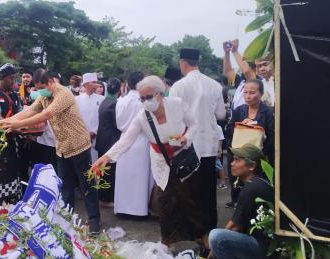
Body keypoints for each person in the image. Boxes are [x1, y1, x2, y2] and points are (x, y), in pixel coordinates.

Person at [93, 76, 206, 244]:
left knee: (188, 200)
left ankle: (201, 238)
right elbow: (125, 140)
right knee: (164, 201)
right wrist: (106, 157)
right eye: (142, 98)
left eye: (149, 97)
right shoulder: (142, 117)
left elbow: (194, 124)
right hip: (161, 161)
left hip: (183, 158)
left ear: (160, 94)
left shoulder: (176, 104)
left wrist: (185, 138)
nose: (146, 101)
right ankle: (167, 241)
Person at [0, 69, 101, 234]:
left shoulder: (64, 94)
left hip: (79, 145)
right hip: (62, 148)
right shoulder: (44, 96)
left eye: (42, 87)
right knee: (65, 187)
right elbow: (29, 110)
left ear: (51, 81)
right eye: (37, 88)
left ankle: (95, 223)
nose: (40, 91)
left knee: (87, 186)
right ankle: (67, 221)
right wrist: (5, 121)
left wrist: (15, 125)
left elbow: (47, 114)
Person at [169, 48, 226, 232]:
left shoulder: (179, 86)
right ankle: (210, 230)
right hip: (208, 145)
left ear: (183, 63)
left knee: (188, 191)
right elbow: (221, 114)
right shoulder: (216, 86)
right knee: (208, 191)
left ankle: (191, 231)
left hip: (188, 147)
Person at [209, 143, 274, 259]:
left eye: (237, 160)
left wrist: (213, 249)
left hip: (263, 250)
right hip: (268, 247)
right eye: (233, 159)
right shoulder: (260, 181)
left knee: (216, 237)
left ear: (252, 166)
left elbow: (235, 225)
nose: (232, 163)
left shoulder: (251, 188)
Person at [226, 80, 274, 206]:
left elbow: (272, 136)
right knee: (238, 185)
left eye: (252, 92)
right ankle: (238, 207)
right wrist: (242, 126)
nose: (248, 96)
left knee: (256, 187)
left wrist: (256, 130)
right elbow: (229, 130)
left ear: (261, 93)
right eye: (245, 92)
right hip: (239, 155)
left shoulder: (269, 112)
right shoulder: (239, 110)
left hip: (258, 157)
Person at [114, 71, 153, 217]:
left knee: (124, 175)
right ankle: (139, 210)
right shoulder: (144, 101)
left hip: (124, 139)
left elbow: (118, 123)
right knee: (139, 177)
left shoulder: (121, 101)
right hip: (141, 140)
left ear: (128, 84)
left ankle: (122, 208)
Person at [0, 63, 23, 204]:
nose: (14, 82)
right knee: (0, 171)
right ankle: (1, 205)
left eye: (14, 78)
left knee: (14, 170)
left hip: (14, 139)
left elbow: (20, 114)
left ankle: (13, 202)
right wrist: (15, 127)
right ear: (2, 78)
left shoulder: (14, 95)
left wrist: (26, 127)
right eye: (11, 78)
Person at [95, 78, 122, 207]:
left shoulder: (105, 101)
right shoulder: (114, 103)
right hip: (110, 141)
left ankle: (102, 196)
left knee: (103, 171)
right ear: (119, 89)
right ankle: (106, 199)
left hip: (102, 139)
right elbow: (118, 124)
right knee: (109, 172)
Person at [75, 72, 105, 162]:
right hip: (80, 137)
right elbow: (75, 118)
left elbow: (103, 119)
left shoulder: (102, 99)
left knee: (96, 164)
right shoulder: (76, 99)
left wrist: (93, 132)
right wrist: (84, 134)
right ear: (86, 84)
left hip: (97, 137)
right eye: (94, 82)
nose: (97, 84)